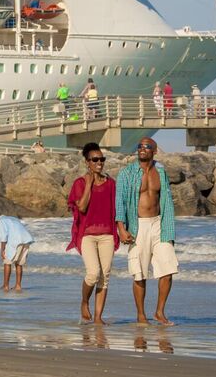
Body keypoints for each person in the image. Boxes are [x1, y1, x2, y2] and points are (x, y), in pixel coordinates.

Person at [116, 137, 178, 325]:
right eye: (140, 146)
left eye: (147, 147)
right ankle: (141, 315)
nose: (142, 149)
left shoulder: (161, 172)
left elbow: (166, 201)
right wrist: (121, 228)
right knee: (139, 273)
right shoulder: (127, 173)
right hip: (138, 226)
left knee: (168, 269)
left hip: (159, 224)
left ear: (154, 151)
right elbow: (120, 202)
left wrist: (170, 230)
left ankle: (159, 312)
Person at [67, 142, 118, 324]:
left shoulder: (111, 183)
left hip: (107, 236)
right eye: (95, 159)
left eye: (101, 159)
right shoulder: (80, 183)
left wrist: (122, 229)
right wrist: (89, 184)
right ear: (87, 162)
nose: (99, 162)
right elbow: (81, 207)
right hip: (87, 235)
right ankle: (84, 302)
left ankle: (98, 318)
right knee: (93, 273)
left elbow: (117, 210)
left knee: (105, 277)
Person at [0, 209, 34, 292]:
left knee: (7, 262)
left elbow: (3, 237)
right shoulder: (12, 218)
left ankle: (6, 286)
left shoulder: (0, 221)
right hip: (26, 240)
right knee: (19, 264)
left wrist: (2, 250)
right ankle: (18, 285)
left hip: (16, 241)